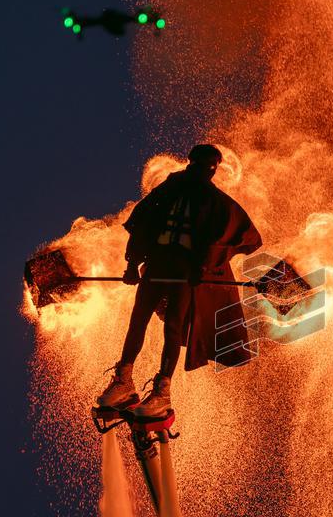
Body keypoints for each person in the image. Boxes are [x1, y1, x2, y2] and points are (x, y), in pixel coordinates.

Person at [96, 144, 263, 419]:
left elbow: (248, 237)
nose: (208, 171)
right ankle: (124, 381)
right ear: (193, 163)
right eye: (204, 165)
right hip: (158, 264)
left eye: (212, 167)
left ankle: (162, 391)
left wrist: (206, 266)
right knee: (138, 320)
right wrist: (131, 263)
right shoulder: (170, 188)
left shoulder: (215, 200)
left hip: (184, 272)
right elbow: (142, 223)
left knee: (173, 326)